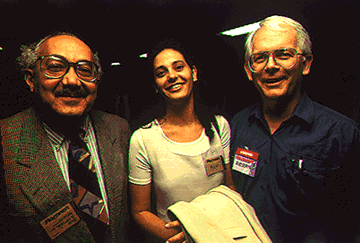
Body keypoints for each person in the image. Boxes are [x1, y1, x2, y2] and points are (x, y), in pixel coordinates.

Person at [230, 15, 360, 242]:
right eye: (259, 58)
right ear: (249, 70)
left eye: (283, 55)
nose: (271, 66)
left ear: (306, 64)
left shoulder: (342, 134)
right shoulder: (239, 124)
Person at [0, 32, 130, 242]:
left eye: (85, 70)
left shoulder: (119, 130)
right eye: (55, 67)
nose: (72, 80)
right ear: (30, 79)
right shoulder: (6, 141)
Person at [129, 39, 235, 243]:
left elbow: (229, 189)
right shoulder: (143, 138)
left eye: (178, 67)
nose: (172, 76)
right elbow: (140, 211)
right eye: (161, 73)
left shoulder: (219, 126)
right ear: (156, 87)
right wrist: (189, 238)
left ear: (193, 73)